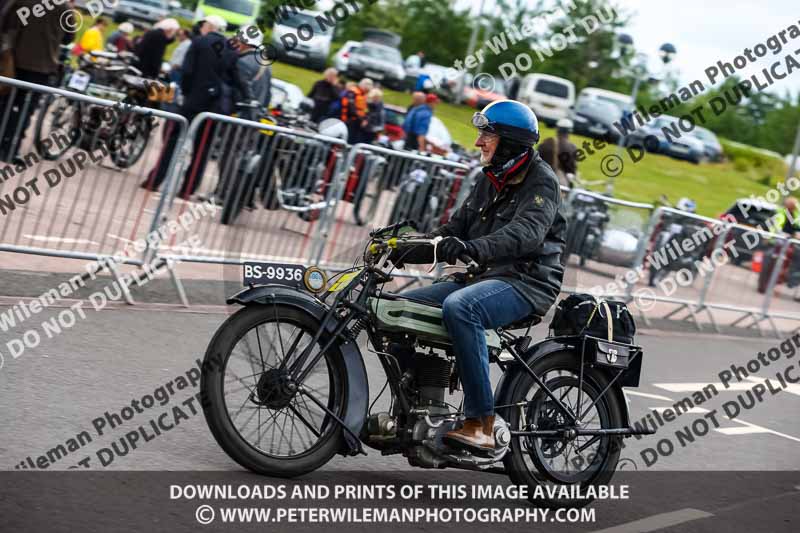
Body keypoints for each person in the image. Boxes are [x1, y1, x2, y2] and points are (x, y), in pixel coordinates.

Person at [391, 100, 567, 452]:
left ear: (509, 141)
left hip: (526, 282)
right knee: (397, 310)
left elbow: (526, 235)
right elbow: (454, 230)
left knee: (461, 307)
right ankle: (418, 408)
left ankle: (481, 422)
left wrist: (474, 249)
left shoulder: (541, 182)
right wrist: (404, 247)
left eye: (486, 134)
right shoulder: (489, 179)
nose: (478, 142)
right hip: (484, 278)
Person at [143, 14, 252, 197]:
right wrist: (248, 98)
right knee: (202, 148)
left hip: (192, 102)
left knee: (173, 141)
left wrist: (186, 93)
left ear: (209, 26)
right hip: (213, 106)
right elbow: (236, 77)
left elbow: (187, 71)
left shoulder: (199, 43)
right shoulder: (229, 49)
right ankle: (188, 189)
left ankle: (155, 180)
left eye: (203, 25)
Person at [0, 0, 71, 162]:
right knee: (25, 109)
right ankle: (10, 149)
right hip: (42, 67)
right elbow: (68, 37)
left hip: (13, 63)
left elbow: (5, 22)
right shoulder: (63, 7)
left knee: (5, 103)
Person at [537, 118, 577, 188]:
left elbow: (536, 161)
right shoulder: (572, 148)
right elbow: (571, 171)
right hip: (559, 185)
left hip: (540, 180)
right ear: (569, 131)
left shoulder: (545, 143)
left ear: (557, 129)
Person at [339, 79, 368, 144]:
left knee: (351, 139)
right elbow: (351, 108)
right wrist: (361, 119)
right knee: (346, 138)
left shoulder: (363, 94)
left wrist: (364, 118)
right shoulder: (353, 92)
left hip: (356, 120)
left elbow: (364, 109)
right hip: (349, 119)